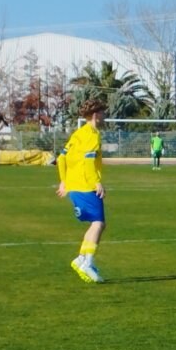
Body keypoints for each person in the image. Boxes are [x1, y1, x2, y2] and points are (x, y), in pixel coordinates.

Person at [57, 99, 108, 283]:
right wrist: (96, 182)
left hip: (74, 186)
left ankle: (82, 259)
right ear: (96, 115)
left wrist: (64, 181)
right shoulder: (93, 135)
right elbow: (88, 161)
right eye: (102, 112)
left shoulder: (78, 134)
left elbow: (61, 158)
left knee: (96, 223)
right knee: (98, 224)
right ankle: (87, 262)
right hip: (86, 186)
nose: (104, 116)